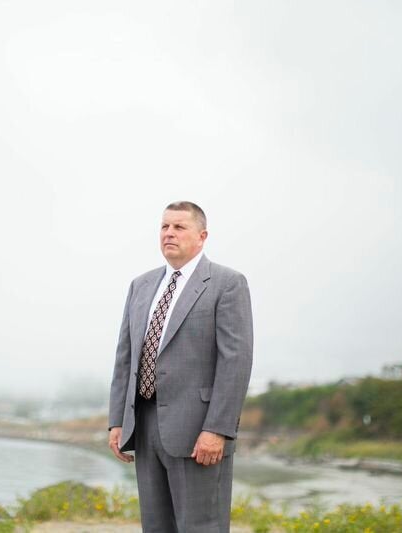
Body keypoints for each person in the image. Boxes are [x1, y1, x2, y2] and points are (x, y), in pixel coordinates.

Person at [108, 201, 253, 532]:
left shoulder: (227, 283)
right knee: (157, 526)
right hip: (144, 425)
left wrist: (218, 429)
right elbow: (125, 357)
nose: (169, 233)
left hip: (198, 430)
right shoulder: (141, 286)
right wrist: (117, 420)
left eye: (179, 227)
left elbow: (236, 360)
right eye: (164, 227)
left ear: (202, 236)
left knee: (201, 527)